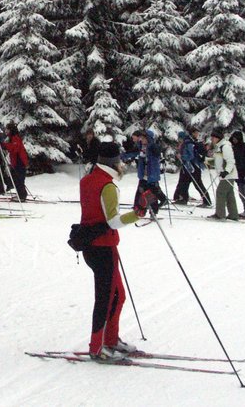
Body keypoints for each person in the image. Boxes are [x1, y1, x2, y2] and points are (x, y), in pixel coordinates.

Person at [77, 141, 148, 361]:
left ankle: (110, 339)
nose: (122, 164)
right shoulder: (107, 185)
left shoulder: (88, 180)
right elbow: (113, 221)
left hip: (93, 245)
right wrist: (137, 214)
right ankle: (97, 346)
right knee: (107, 297)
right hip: (102, 247)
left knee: (117, 295)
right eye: (119, 160)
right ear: (113, 162)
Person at [208, 130, 239, 221]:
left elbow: (230, 161)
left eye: (213, 137)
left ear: (218, 138)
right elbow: (218, 161)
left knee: (220, 192)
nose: (212, 139)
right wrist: (207, 160)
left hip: (228, 175)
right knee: (229, 195)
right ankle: (233, 215)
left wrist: (226, 171)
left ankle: (220, 214)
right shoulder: (219, 147)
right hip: (224, 175)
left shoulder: (225, 146)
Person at [3, 122, 30, 202]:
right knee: (16, 178)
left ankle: (22, 195)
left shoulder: (15, 137)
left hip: (19, 161)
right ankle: (21, 194)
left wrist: (5, 145)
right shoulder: (12, 137)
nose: (6, 131)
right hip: (17, 161)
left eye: (7, 129)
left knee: (18, 179)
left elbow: (15, 149)